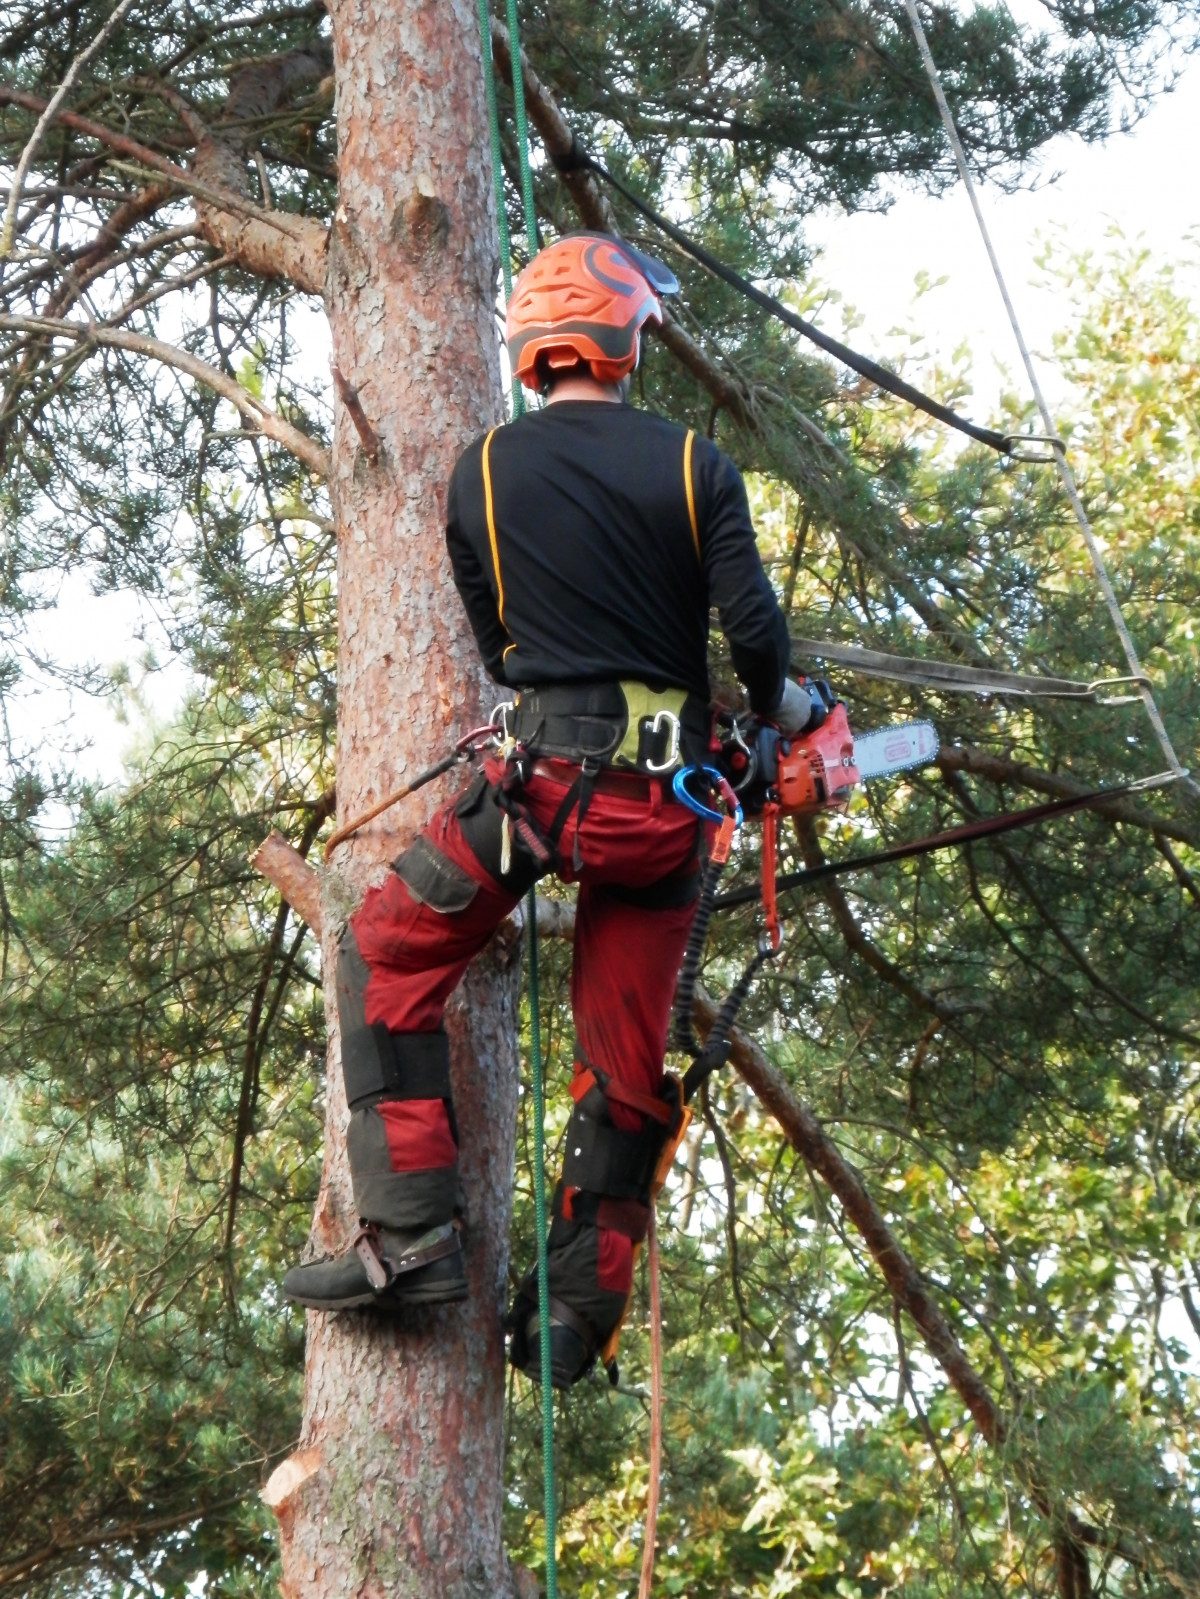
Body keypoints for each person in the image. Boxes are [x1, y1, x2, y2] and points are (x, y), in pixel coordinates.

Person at [283, 232, 819, 1387]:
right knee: (623, 1064)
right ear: (626, 339)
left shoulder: (478, 470)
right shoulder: (692, 466)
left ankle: (413, 1235)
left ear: (536, 350)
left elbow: (496, 645)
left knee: (383, 960)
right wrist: (793, 707)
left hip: (542, 800)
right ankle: (575, 1314)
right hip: (668, 817)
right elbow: (759, 645)